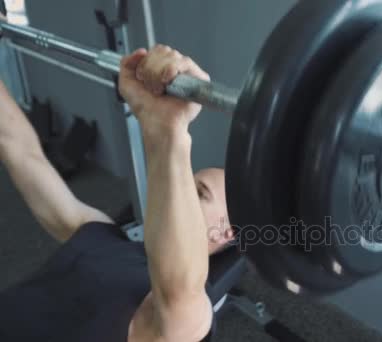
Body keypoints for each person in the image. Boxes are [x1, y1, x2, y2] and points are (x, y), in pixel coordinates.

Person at [0, 42, 233, 341]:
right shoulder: (98, 232)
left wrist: (167, 129)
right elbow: (20, 150)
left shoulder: (191, 311)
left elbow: (177, 290)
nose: (181, 194)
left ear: (224, 233)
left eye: (199, 193)